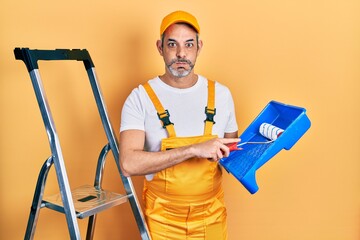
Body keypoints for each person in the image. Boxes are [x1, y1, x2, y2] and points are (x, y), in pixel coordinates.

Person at [119, 10, 239, 240]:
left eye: (189, 44)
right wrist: (193, 149)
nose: (181, 53)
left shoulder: (222, 95)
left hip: (211, 218)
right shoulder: (141, 97)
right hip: (162, 221)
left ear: (199, 47)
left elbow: (231, 155)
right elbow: (128, 164)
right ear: (159, 47)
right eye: (172, 44)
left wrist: (263, 148)